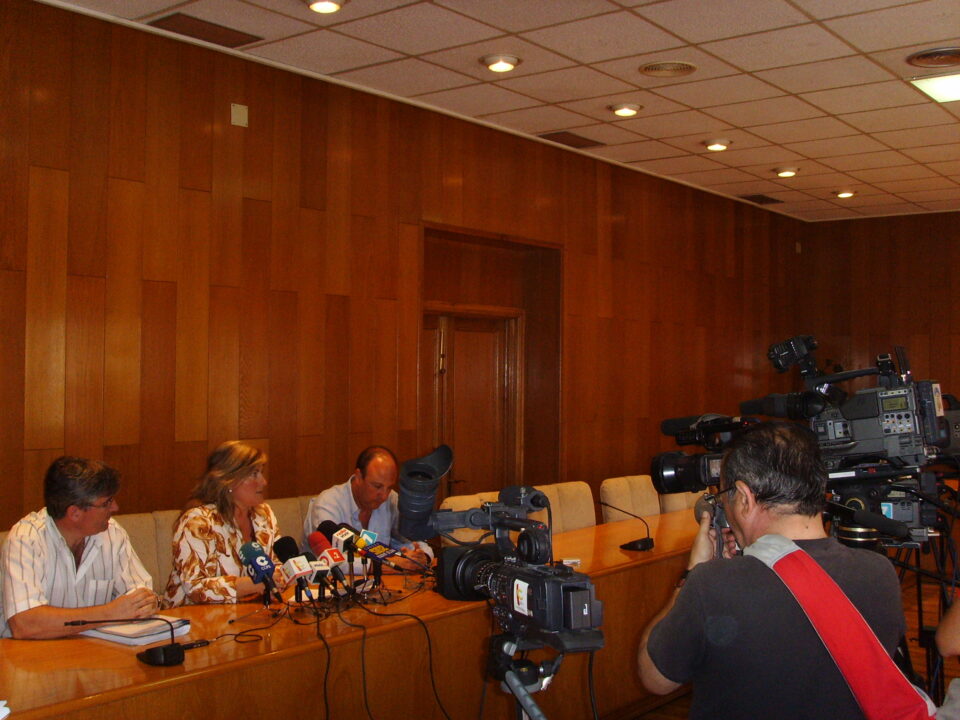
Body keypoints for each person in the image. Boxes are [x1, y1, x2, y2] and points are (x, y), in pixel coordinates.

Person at [639, 421, 906, 719]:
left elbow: (655, 678)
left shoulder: (712, 584)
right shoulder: (879, 574)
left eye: (724, 495)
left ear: (744, 497)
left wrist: (692, 573)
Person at [0, 456, 155, 639]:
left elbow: (141, 595)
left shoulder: (112, 533)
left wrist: (145, 604)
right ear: (75, 513)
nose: (115, 507)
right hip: (32, 657)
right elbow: (25, 624)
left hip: (95, 651)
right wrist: (109, 613)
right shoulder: (26, 539)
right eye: (106, 503)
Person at [163, 441, 280, 606]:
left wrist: (282, 576)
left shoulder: (263, 515)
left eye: (261, 473)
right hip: (192, 620)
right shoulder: (199, 521)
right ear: (229, 480)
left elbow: (276, 564)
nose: (263, 482)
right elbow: (195, 587)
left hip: (251, 614)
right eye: (254, 474)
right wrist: (253, 584)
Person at [302, 446, 432, 571]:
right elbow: (331, 560)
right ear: (358, 476)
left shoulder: (391, 499)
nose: (384, 496)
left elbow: (414, 538)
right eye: (377, 486)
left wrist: (421, 557)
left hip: (379, 586)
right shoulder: (328, 504)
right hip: (322, 586)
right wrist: (389, 564)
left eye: (389, 487)